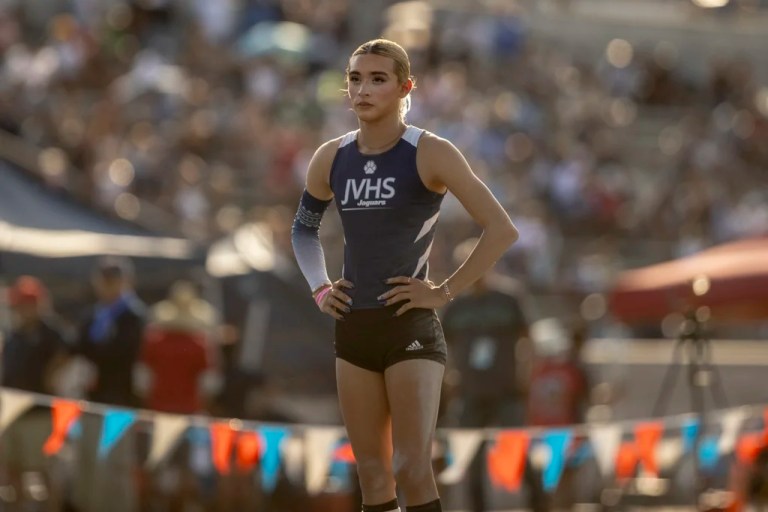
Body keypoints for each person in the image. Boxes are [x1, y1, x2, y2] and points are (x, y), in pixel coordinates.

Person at [291, 38, 518, 512]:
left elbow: (500, 229)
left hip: (409, 326)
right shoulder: (331, 157)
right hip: (353, 328)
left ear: (404, 87)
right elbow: (303, 230)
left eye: (378, 79)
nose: (363, 89)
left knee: (411, 469)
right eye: (355, 78)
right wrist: (319, 287)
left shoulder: (429, 151)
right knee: (372, 476)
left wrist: (445, 290)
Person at [439, 238, 546, 512]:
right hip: (470, 391)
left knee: (517, 450)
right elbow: (442, 346)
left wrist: (526, 373)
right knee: (469, 457)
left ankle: (539, 504)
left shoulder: (508, 299)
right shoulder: (455, 307)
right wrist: (450, 377)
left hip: (506, 388)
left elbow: (528, 339)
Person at [70, 255, 146, 512]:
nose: (108, 286)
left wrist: (94, 354)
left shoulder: (133, 316)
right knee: (89, 464)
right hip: (91, 399)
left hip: (119, 402)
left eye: (113, 281)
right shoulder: (94, 314)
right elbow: (78, 346)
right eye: (104, 280)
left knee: (115, 469)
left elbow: (121, 354)